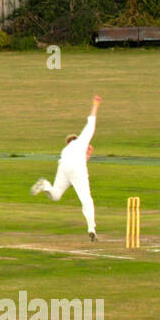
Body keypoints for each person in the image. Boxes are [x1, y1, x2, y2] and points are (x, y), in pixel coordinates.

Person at [31, 95, 101, 241]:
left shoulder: (66, 149)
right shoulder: (81, 140)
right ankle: (91, 228)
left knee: (55, 195)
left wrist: (86, 155)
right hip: (75, 168)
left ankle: (44, 185)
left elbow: (76, 163)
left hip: (64, 167)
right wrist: (95, 105)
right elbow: (91, 124)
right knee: (86, 199)